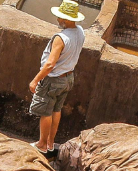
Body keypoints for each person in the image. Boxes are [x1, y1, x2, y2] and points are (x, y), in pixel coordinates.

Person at [28, 0, 85, 156]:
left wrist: (35, 80)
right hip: (68, 78)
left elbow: (50, 64)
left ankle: (41, 144)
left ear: (65, 19)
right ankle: (50, 143)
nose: (58, 20)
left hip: (53, 80)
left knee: (46, 111)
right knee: (56, 109)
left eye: (60, 17)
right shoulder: (80, 31)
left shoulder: (60, 38)